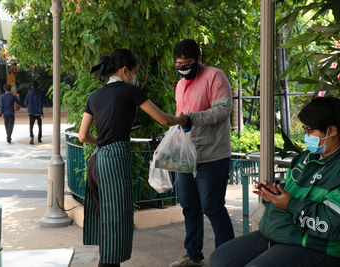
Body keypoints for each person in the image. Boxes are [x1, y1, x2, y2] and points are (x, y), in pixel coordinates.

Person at [78, 48, 188, 267]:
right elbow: (163, 120)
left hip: (97, 161)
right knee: (116, 220)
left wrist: (102, 141)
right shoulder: (130, 91)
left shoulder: (94, 97)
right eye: (135, 71)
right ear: (126, 70)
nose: (135, 76)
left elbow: (82, 136)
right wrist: (181, 120)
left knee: (106, 219)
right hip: (115, 160)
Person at [209, 96, 340, 267]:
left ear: (332, 131)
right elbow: (291, 192)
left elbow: (333, 225)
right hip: (278, 232)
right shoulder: (304, 159)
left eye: (310, 131)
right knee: (220, 259)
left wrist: (290, 204)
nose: (307, 136)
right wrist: (274, 194)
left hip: (316, 245)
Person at [169, 39, 234, 267]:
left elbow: (223, 110)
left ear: (199, 59)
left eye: (187, 63)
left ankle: (226, 258)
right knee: (189, 207)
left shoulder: (215, 76)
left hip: (213, 155)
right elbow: (180, 117)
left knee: (213, 207)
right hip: (186, 156)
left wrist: (191, 119)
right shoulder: (180, 85)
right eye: (179, 64)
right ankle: (193, 256)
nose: (183, 68)